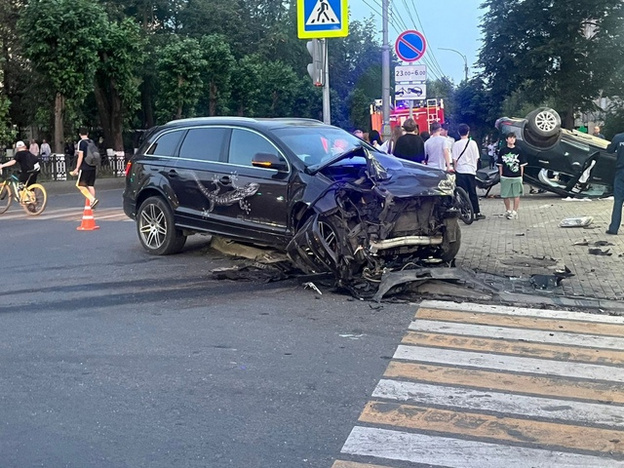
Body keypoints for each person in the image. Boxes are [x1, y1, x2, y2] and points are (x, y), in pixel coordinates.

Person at [452, 124, 485, 220]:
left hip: (460, 170)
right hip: (470, 170)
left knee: (463, 193)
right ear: (468, 132)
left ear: (459, 132)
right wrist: (474, 168)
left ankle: (465, 212)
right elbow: (476, 158)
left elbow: (454, 159)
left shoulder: (456, 144)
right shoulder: (473, 143)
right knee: (472, 192)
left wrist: (455, 168)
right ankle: (477, 212)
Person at [497, 132, 527, 220]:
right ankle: (508, 210)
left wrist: (521, 176)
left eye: (513, 138)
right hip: (506, 176)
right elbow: (500, 164)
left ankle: (515, 211)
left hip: (516, 176)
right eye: (510, 138)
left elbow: (522, 164)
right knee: (505, 195)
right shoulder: (502, 151)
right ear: (506, 139)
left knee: (516, 194)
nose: (512, 139)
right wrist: (501, 175)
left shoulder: (519, 150)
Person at [69, 127, 98, 209]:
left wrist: (77, 168)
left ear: (79, 134)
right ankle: (93, 205)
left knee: (80, 185)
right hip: (93, 166)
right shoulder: (91, 142)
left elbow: (80, 156)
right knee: (90, 185)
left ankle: (92, 200)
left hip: (85, 167)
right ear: (87, 133)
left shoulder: (81, 143)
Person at [605, 131, 624, 235]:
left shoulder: (618, 137)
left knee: (618, 201)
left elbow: (610, 150)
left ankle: (613, 228)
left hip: (621, 173)